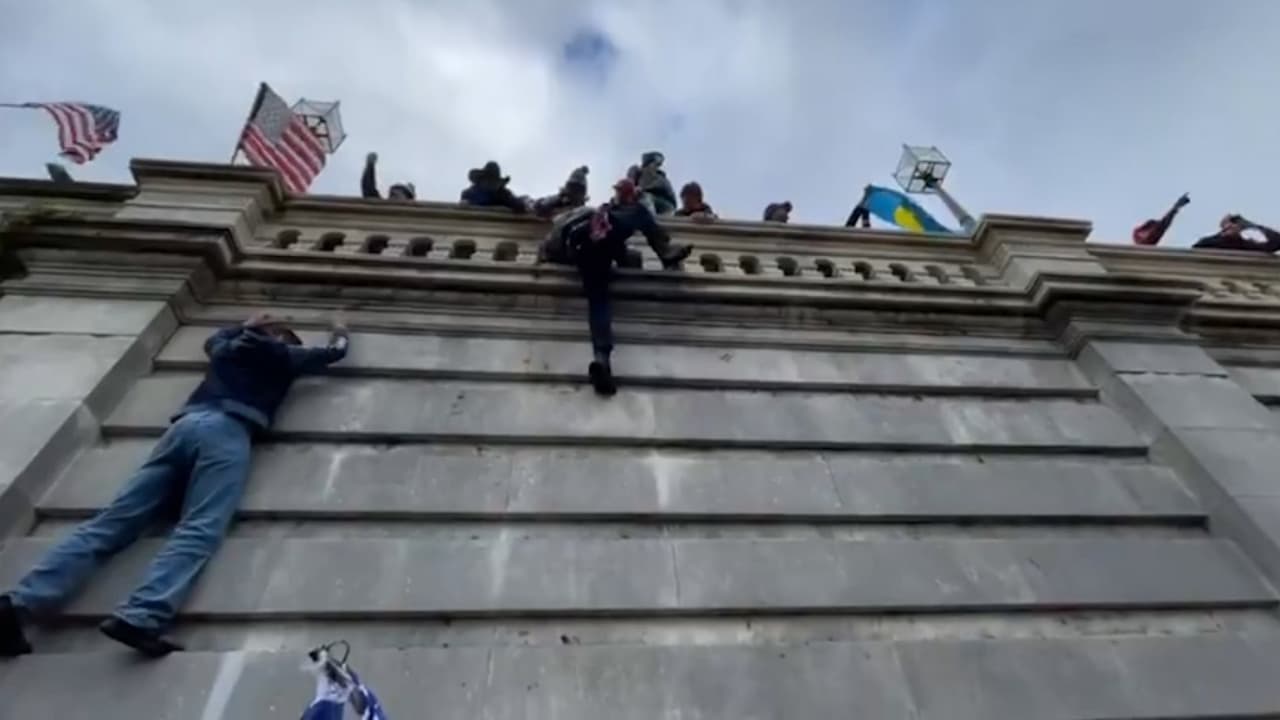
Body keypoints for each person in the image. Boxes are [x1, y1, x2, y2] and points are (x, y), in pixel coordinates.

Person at [0, 313, 351, 658]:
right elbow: (335, 352)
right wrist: (339, 329)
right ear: (280, 339)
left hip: (184, 428)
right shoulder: (283, 356)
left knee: (110, 523)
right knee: (200, 527)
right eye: (290, 337)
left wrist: (243, 326)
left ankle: (18, 604)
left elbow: (213, 340)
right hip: (228, 432)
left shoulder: (225, 347)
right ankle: (142, 615)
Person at [537, 178, 693, 396]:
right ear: (624, 195)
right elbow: (613, 235)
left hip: (584, 254)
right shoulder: (612, 212)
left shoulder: (591, 217)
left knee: (599, 302)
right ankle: (664, 251)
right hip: (596, 239)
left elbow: (615, 249)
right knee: (640, 214)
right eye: (628, 194)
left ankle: (602, 361)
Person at [460, 161, 527, 212]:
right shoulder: (470, 192)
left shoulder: (503, 193)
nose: (490, 183)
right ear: (482, 179)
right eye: (488, 179)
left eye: (492, 180)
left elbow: (519, 205)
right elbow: (464, 202)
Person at [1194, 213, 1280, 253]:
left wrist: (1248, 224)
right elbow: (1198, 247)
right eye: (1226, 226)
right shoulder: (1214, 241)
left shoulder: (1249, 241)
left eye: (1233, 224)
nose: (1230, 226)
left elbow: (1275, 241)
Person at [626, 152, 677, 216]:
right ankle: (649, 218)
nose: (656, 167)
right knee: (645, 197)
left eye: (658, 165)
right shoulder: (638, 172)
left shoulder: (661, 178)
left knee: (647, 197)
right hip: (643, 201)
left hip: (664, 204)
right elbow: (629, 183)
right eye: (655, 164)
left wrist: (643, 188)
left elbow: (670, 195)